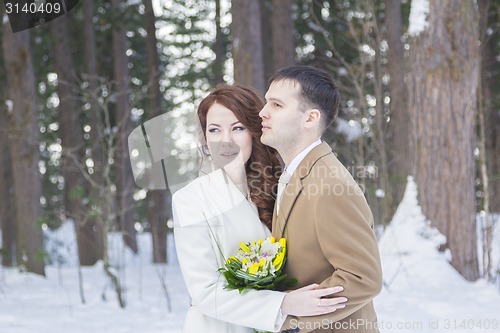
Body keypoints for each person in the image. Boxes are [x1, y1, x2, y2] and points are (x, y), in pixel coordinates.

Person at [172, 84, 348, 333]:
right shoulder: (191, 200)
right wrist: (283, 303)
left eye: (238, 128)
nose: (226, 140)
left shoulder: (281, 186)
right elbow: (205, 292)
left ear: (255, 132)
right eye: (214, 130)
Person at [259, 66, 383, 333]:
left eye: (276, 105)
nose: (262, 112)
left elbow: (362, 277)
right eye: (266, 102)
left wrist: (290, 323)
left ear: (310, 118)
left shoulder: (330, 184)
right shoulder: (294, 175)